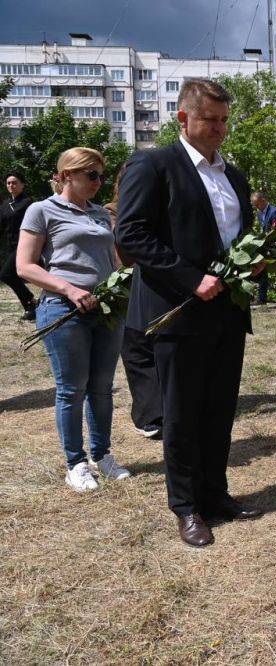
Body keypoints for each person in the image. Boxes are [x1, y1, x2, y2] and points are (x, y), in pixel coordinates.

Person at [116, 78, 262, 548]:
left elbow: (241, 236)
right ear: (184, 118)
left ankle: (215, 494)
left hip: (226, 311)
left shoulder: (233, 176)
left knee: (219, 408)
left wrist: (258, 257)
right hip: (176, 311)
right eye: (210, 120)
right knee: (181, 415)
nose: (220, 129)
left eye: (224, 120)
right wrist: (190, 277)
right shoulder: (154, 165)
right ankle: (186, 507)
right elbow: (132, 234)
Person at [15, 148, 131, 492]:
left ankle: (103, 455)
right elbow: (25, 266)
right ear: (66, 175)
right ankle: (75, 463)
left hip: (106, 310)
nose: (99, 182)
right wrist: (69, 289)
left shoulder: (99, 214)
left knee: (102, 387)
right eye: (91, 175)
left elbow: (112, 261)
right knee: (71, 389)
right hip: (64, 311)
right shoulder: (41, 210)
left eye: (101, 176)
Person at [105, 167, 162, 440]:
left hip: (154, 281)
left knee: (151, 346)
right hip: (124, 285)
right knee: (135, 349)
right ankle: (149, 414)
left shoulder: (159, 208)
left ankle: (159, 409)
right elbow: (124, 249)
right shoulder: (113, 210)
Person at [1, 172, 38, 320]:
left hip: (25, 245)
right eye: (9, 183)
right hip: (11, 247)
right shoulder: (5, 206)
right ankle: (31, 307)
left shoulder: (29, 203)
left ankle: (31, 302)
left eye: (14, 182)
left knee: (6, 274)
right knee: (11, 275)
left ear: (23, 185)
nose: (11, 185)